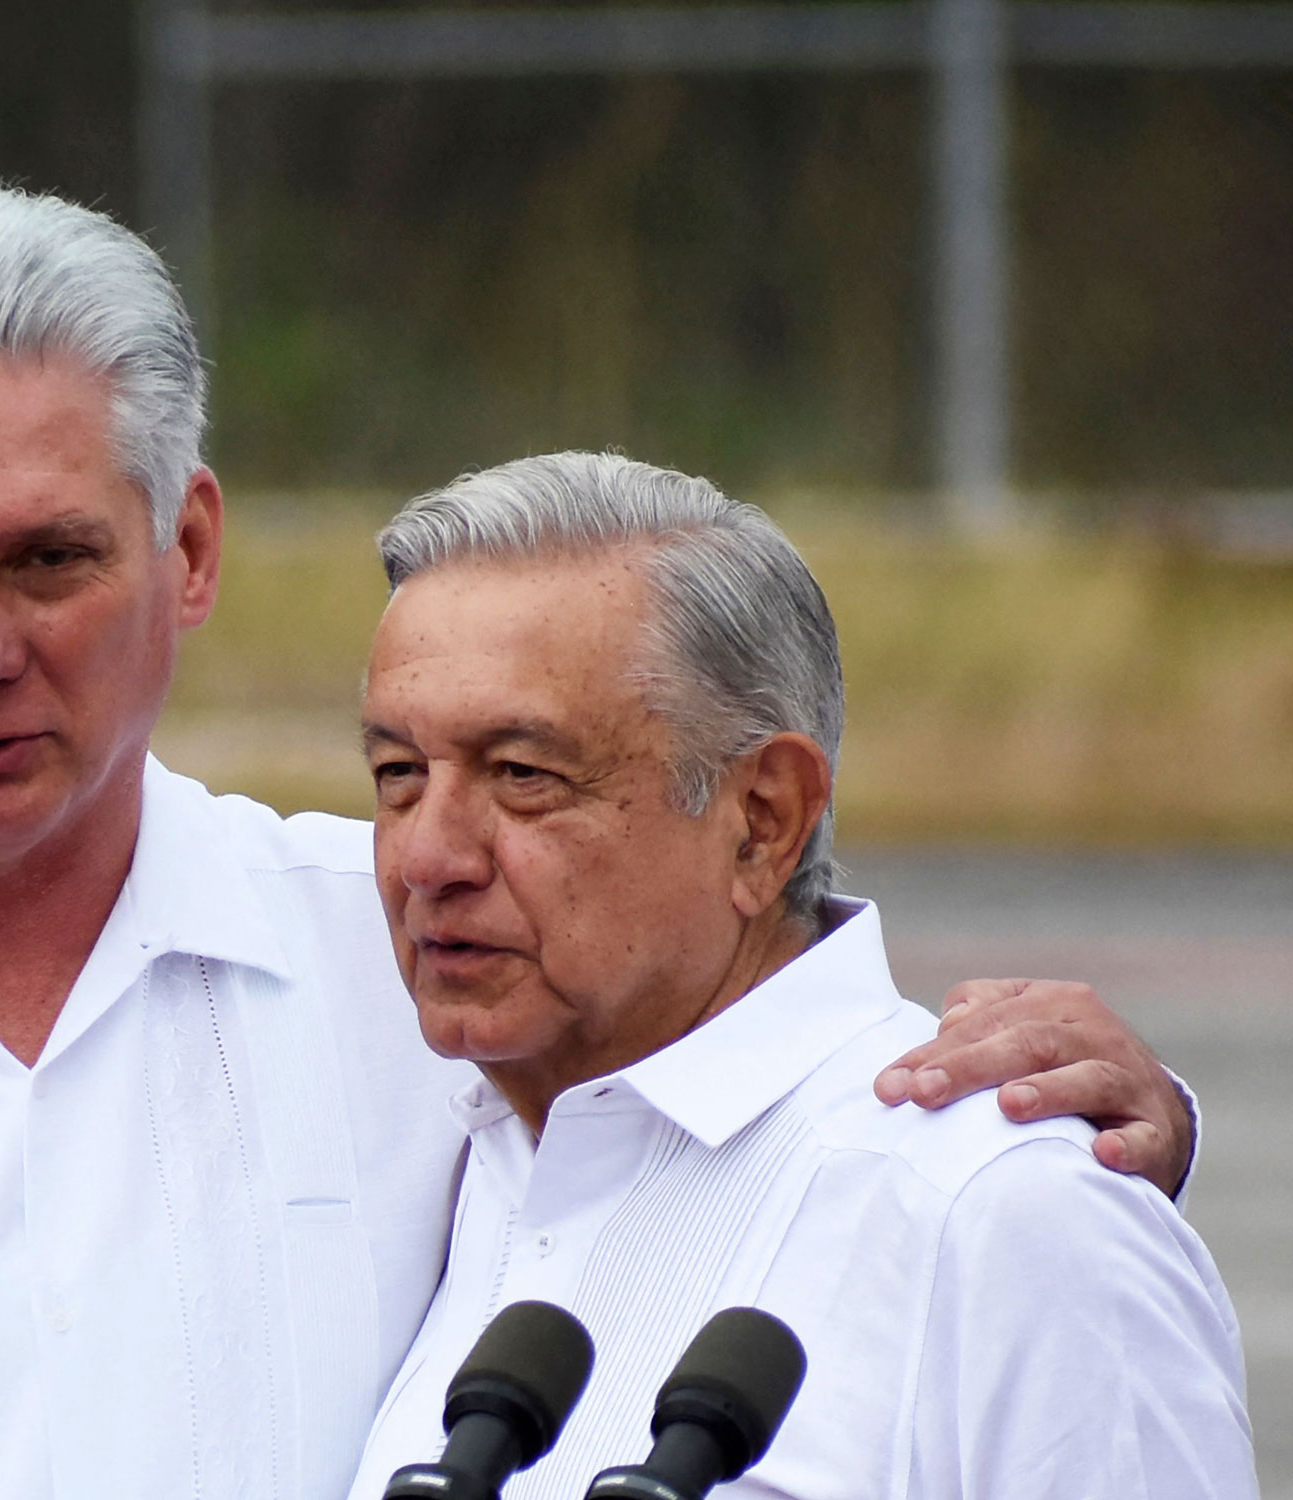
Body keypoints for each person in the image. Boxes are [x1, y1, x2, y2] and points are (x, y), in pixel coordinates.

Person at [0, 188, 1198, 1499]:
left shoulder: (420, 984)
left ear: (189, 551)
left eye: (48, 556)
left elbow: (743, 1042)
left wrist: (1077, 1145)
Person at [347, 452, 1251, 1499]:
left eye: (522, 776)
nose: (425, 858)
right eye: (397, 775)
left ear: (761, 819)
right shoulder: (422, 1122)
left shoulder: (1001, 1219)